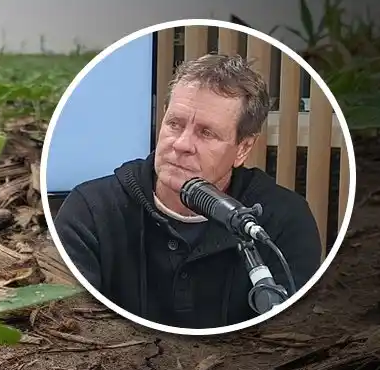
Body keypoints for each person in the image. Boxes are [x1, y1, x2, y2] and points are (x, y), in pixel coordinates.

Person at [53, 52, 323, 330]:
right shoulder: (89, 211)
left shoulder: (284, 221)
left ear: (242, 148)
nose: (181, 144)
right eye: (175, 124)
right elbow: (73, 328)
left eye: (206, 133)